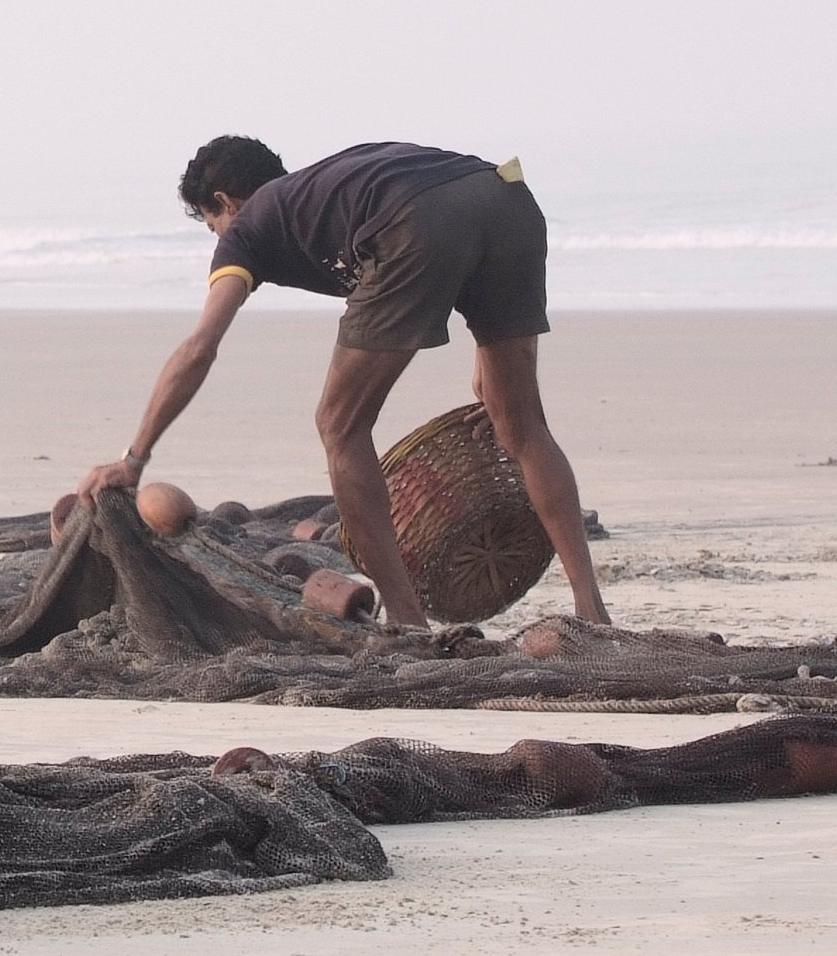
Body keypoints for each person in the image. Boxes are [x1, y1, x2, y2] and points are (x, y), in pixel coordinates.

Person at [83, 136, 610, 628]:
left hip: (415, 219)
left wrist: (134, 460)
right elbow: (452, 224)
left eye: (210, 224)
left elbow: (200, 346)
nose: (218, 237)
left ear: (224, 201)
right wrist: (489, 364)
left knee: (340, 426)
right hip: (505, 196)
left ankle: (406, 620)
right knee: (522, 425)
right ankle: (592, 614)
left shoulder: (249, 227)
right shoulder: (325, 187)